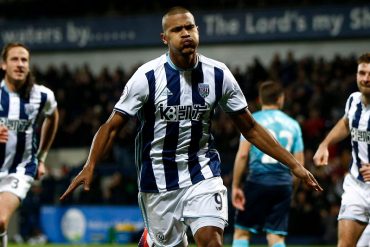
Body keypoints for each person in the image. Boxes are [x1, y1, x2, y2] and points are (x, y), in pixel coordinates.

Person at [60, 6, 322, 247]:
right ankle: (150, 240)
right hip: (158, 180)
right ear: (165, 38)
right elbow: (111, 126)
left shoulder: (218, 74)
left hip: (202, 171)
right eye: (177, 30)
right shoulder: (147, 77)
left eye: (190, 27)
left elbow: (250, 128)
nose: (185, 33)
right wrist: (90, 164)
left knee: (211, 240)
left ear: (197, 30)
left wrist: (294, 164)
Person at [0, 42, 59, 247]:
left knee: (0, 220)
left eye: (24, 60)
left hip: (20, 168)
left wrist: (41, 158)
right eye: (14, 59)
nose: (20, 64)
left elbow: (52, 117)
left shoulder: (42, 95)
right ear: (3, 65)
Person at [231, 81, 304, 247]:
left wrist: (236, 185)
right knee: (276, 237)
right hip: (283, 184)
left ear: (259, 99)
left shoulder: (253, 121)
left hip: (257, 181)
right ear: (280, 99)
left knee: (242, 231)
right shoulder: (293, 125)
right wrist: (292, 189)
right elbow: (299, 164)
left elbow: (242, 155)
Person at [313, 53, 370, 247]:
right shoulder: (353, 100)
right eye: (362, 73)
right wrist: (325, 144)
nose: (366, 78)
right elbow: (346, 123)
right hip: (356, 186)